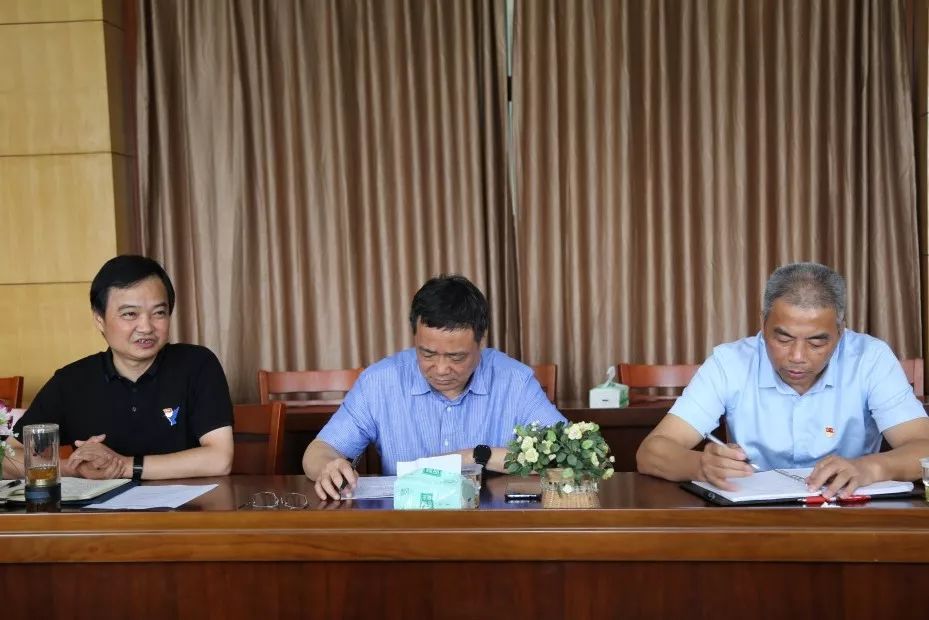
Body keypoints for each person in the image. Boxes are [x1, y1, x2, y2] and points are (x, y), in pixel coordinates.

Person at [637, 262, 929, 499]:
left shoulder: (870, 358)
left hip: (848, 514)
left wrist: (871, 468)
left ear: (841, 332)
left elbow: (924, 446)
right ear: (763, 324)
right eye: (783, 338)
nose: (798, 356)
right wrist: (701, 465)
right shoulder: (730, 363)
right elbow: (651, 452)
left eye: (817, 342)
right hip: (755, 519)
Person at [304, 274, 567, 500]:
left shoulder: (514, 381)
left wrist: (475, 456)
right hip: (405, 527)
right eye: (427, 354)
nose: (441, 369)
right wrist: (329, 466)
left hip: (491, 526)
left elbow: (569, 456)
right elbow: (318, 451)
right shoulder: (379, 382)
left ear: (480, 343)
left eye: (456, 357)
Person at [5, 255, 234, 481]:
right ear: (99, 319)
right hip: (101, 506)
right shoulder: (72, 381)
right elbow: (7, 458)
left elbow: (219, 458)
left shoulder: (197, 364)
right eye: (130, 314)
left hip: (188, 504)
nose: (146, 327)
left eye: (159, 313)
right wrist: (72, 468)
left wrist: (123, 466)